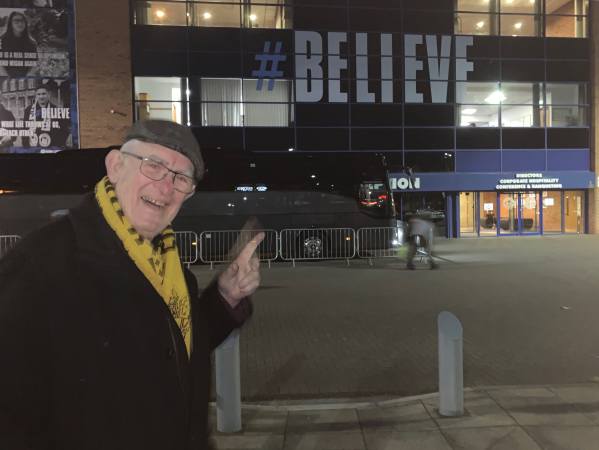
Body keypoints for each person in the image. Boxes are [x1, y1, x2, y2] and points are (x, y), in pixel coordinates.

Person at [0, 119, 264, 449]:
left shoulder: (168, 264)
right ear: (115, 166)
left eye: (181, 179)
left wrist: (226, 295)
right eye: (154, 166)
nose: (166, 187)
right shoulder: (41, 266)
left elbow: (170, 351)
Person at [0, 11, 38, 77]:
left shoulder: (32, 43)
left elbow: (34, 63)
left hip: (25, 78)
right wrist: (6, 77)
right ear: (10, 23)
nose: (20, 23)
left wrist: (27, 77)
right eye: (16, 20)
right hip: (4, 77)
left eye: (23, 20)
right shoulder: (2, 40)